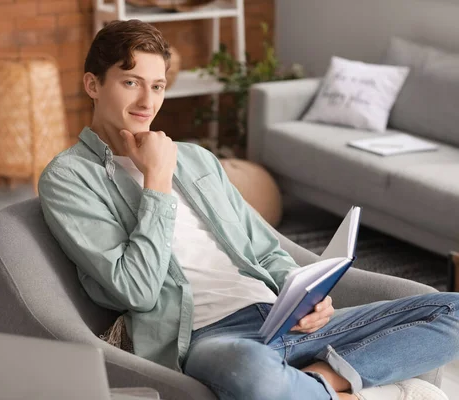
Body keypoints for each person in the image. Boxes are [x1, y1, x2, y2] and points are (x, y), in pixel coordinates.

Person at [38, 19, 458, 400]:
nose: (148, 101)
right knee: (251, 370)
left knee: (452, 309)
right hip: (206, 338)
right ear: (93, 85)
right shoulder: (69, 178)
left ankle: (322, 383)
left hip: (280, 318)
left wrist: (304, 294)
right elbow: (137, 290)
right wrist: (157, 182)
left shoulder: (196, 159)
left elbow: (265, 249)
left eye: (158, 85)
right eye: (131, 82)